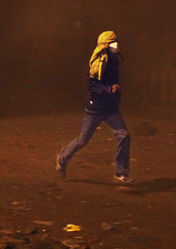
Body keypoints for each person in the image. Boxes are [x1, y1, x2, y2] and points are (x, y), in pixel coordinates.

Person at [56, 30, 132, 183]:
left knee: (124, 136)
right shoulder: (97, 63)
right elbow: (92, 87)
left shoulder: (114, 60)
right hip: (95, 109)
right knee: (82, 141)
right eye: (113, 42)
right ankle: (62, 158)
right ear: (106, 45)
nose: (116, 45)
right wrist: (109, 90)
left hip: (110, 109)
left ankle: (121, 172)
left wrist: (115, 95)